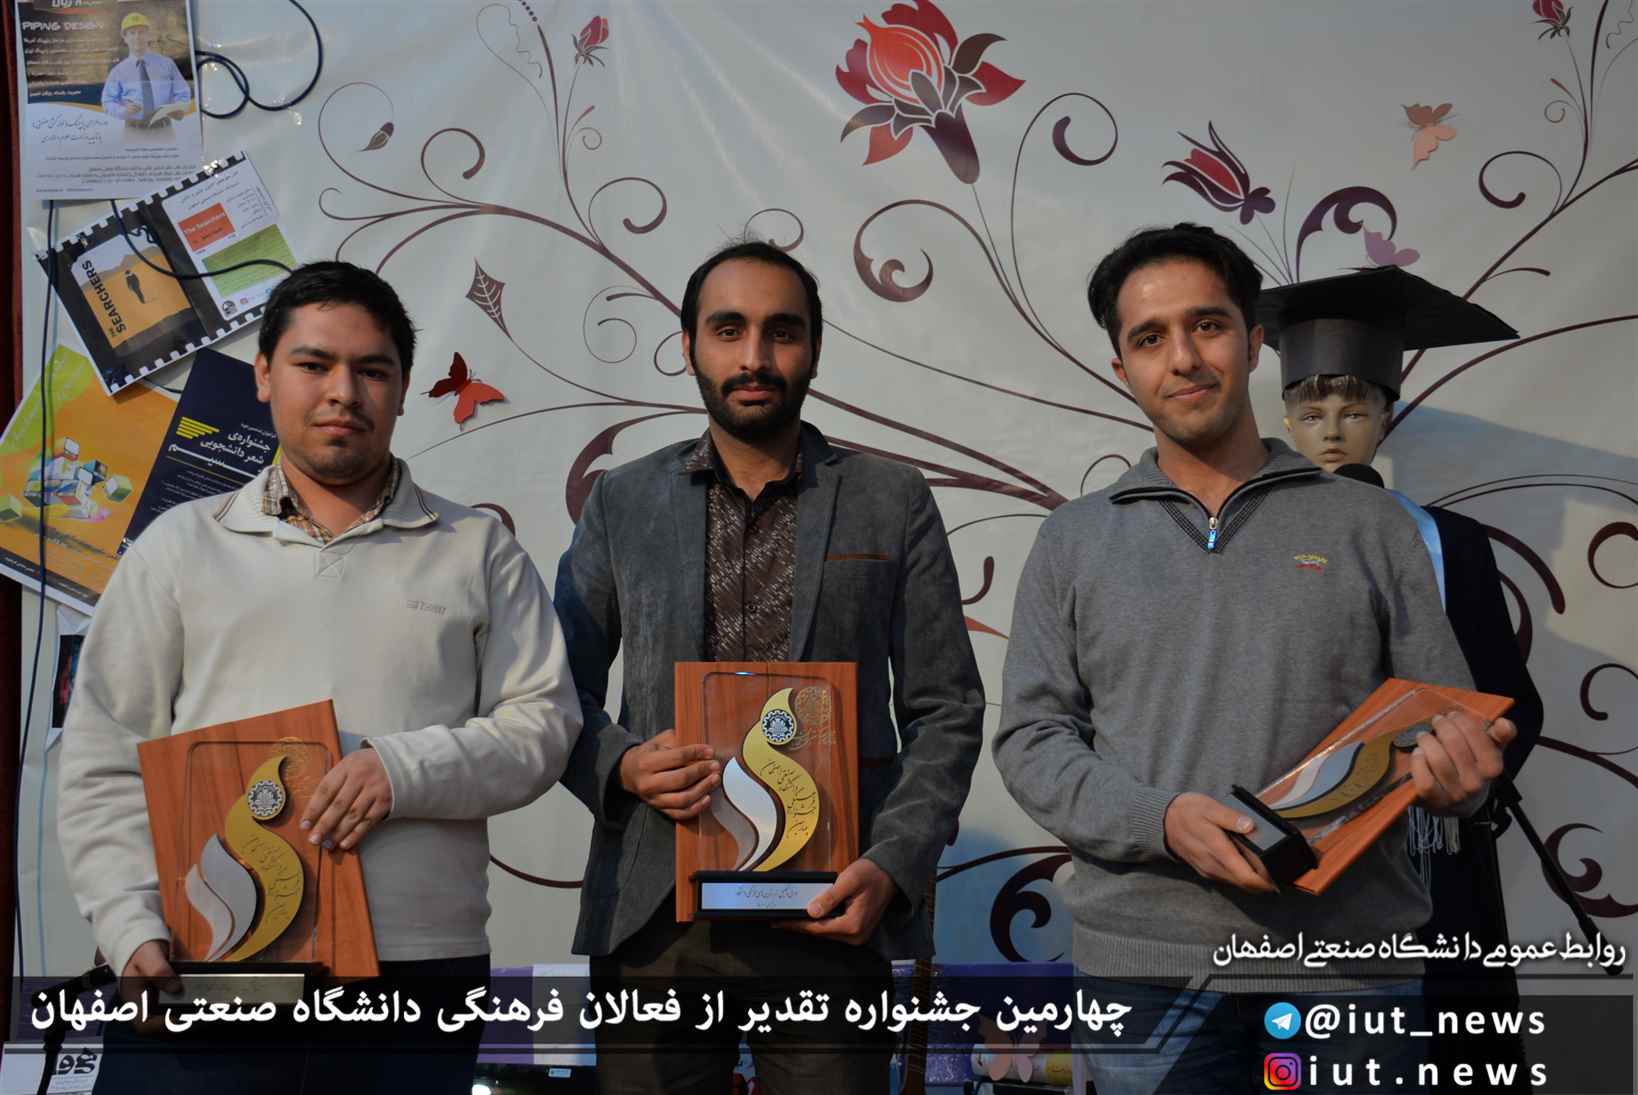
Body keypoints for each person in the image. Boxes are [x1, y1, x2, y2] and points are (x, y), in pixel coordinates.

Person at [993, 224, 1518, 1094]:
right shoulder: (1072, 540)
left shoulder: (1372, 526)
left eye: (1208, 325)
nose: (1183, 357)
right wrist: (1162, 819)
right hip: (1145, 972)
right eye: (1150, 337)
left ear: (1252, 341)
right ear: (1122, 367)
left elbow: (1445, 723)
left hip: (1349, 971)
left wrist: (1463, 778)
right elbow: (1032, 741)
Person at [57, 261, 582, 1093]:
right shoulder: (179, 547)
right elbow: (103, 756)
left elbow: (543, 726)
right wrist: (129, 925)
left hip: (418, 974)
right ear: (264, 375)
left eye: (372, 370)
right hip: (208, 956)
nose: (344, 391)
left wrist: (400, 769)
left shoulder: (478, 549)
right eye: (314, 364)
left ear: (402, 390)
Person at [554, 237, 984, 1094]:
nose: (754, 356)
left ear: (814, 348)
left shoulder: (891, 498)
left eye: (782, 331)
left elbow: (947, 707)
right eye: (728, 330)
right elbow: (554, 691)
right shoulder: (622, 500)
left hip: (834, 906)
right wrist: (623, 765)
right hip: (656, 915)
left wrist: (893, 862)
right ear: (689, 347)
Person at [1265, 266, 1545, 1089]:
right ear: (1284, 418)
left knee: (1438, 1050)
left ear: (1387, 416)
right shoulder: (1246, 539)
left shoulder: (1449, 541)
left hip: (1427, 839)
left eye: (1355, 411)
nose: (1333, 431)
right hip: (1291, 835)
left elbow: (1509, 695)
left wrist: (1466, 763)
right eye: (1312, 413)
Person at [100, 13, 192, 137]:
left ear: (148, 35)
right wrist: (123, 111)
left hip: (164, 129)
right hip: (133, 131)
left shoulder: (166, 64)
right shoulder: (118, 71)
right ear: (125, 38)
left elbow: (183, 91)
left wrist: (177, 108)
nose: (137, 37)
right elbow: (107, 101)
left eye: (141, 32)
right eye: (132, 33)